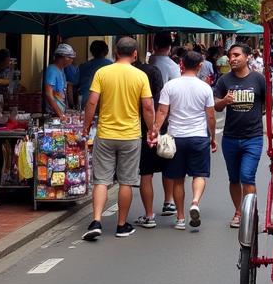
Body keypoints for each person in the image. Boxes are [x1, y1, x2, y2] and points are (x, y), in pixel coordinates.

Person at [81, 36, 155, 241]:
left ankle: (96, 221)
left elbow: (92, 102)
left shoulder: (102, 73)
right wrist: (152, 130)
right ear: (135, 54)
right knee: (126, 182)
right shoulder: (140, 76)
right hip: (130, 136)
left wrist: (86, 127)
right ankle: (121, 225)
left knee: (101, 181)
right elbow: (148, 106)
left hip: (105, 134)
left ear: (115, 53)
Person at [151, 51, 216, 230]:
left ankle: (180, 218)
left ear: (181, 64)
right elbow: (210, 116)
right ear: (200, 66)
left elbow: (162, 112)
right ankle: (195, 202)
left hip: (176, 137)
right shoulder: (205, 88)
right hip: (199, 137)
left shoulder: (170, 86)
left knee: (178, 179)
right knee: (199, 174)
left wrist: (155, 131)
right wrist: (212, 137)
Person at [214, 44, 266, 227]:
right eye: (230, 56)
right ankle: (238, 211)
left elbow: (269, 103)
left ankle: (250, 212)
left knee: (247, 176)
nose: (232, 59)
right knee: (234, 178)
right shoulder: (224, 80)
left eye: (236, 55)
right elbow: (215, 105)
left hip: (253, 137)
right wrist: (224, 101)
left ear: (247, 57)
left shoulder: (258, 79)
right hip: (230, 138)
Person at [132, 54, 165, 229]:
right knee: (169, 171)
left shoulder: (134, 96)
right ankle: (173, 206)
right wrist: (154, 128)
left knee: (145, 174)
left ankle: (149, 214)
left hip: (136, 132)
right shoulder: (162, 98)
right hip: (161, 132)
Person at [76, 41, 112, 109]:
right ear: (106, 51)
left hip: (84, 101)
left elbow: (74, 85)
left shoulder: (82, 66)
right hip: (104, 102)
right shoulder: (111, 65)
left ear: (91, 51)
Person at [44, 44, 75, 117]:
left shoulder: (62, 70)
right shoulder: (52, 70)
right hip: (53, 113)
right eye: (70, 57)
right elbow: (48, 93)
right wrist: (60, 114)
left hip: (59, 111)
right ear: (64, 57)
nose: (72, 60)